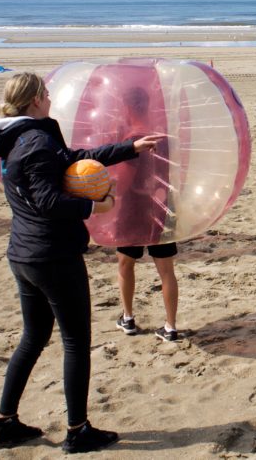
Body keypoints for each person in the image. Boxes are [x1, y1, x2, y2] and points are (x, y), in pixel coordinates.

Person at [0, 72, 161, 453]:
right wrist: (96, 206)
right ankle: (78, 430)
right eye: (45, 94)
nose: (49, 98)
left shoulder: (14, 138)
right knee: (76, 341)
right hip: (53, 256)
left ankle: (5, 423)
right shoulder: (37, 141)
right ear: (33, 101)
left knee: (33, 338)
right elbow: (49, 201)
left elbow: (74, 160)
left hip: (24, 254)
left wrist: (130, 147)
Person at [112, 87, 181, 343]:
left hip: (133, 208)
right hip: (162, 206)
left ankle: (128, 317)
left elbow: (125, 179)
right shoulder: (163, 135)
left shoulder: (132, 137)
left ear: (127, 107)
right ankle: (170, 326)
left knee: (125, 263)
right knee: (166, 270)